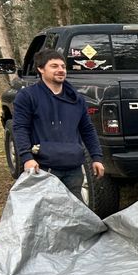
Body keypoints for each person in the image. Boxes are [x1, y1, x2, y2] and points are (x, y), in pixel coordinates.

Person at [13, 48, 105, 197]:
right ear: (41, 69)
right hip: (44, 168)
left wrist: (97, 157)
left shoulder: (76, 99)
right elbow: (20, 128)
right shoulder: (27, 96)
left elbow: (87, 129)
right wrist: (27, 158)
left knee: (74, 214)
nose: (61, 70)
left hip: (73, 168)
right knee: (48, 215)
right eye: (54, 66)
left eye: (63, 66)